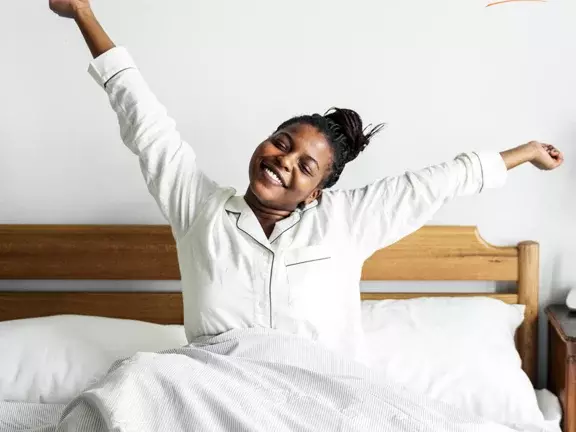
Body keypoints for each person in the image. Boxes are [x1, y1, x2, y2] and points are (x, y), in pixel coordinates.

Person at [49, 0, 563, 363]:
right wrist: (85, 14)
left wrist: (526, 153)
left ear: (317, 191)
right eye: (281, 142)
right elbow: (147, 126)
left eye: (305, 165)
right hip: (211, 389)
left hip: (320, 395)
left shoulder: (347, 222)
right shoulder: (199, 209)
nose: (283, 161)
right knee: (127, 396)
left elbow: (436, 181)